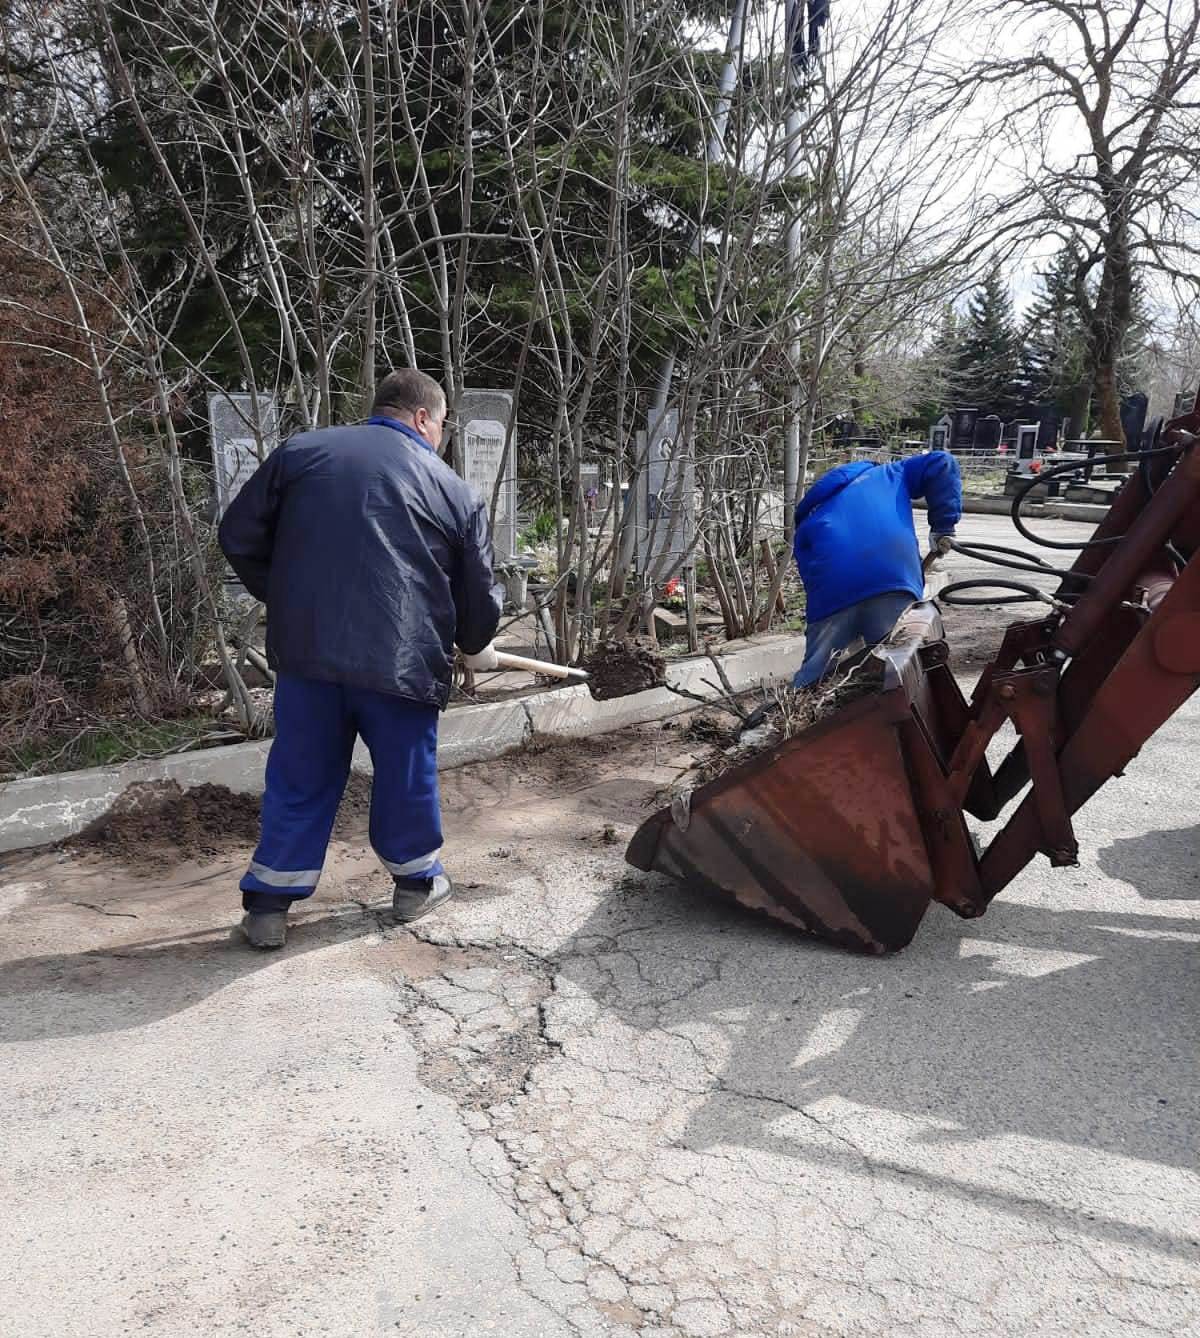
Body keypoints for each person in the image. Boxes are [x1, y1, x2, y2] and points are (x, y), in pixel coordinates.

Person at [218, 368, 502, 948]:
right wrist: (476, 641)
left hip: (309, 655)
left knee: (301, 772)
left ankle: (270, 905)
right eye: (443, 426)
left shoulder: (302, 453)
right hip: (402, 662)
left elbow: (239, 535)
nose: (441, 438)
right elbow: (477, 587)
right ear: (423, 418)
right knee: (405, 773)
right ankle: (416, 884)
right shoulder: (452, 489)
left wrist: (289, 595)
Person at [792, 450, 962, 688]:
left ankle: (783, 720)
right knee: (896, 671)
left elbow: (810, 575)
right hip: (891, 578)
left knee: (814, 676)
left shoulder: (811, 516)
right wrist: (943, 526)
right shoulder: (891, 472)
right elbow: (942, 462)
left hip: (831, 593)